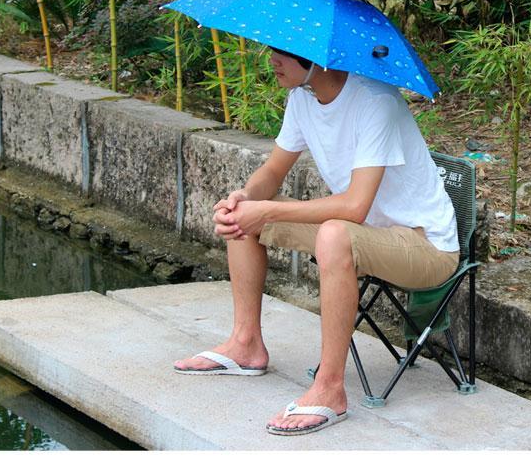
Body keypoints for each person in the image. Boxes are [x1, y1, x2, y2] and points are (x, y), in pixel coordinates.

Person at [173, 46, 459, 436]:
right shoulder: (302, 99)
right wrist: (245, 197)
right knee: (247, 214)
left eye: (282, 53)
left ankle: (330, 389)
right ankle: (246, 344)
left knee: (334, 232)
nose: (271, 59)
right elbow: (273, 170)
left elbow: (355, 206)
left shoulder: (377, 101)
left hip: (425, 247)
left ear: (317, 59)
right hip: (365, 234)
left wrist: (269, 211)